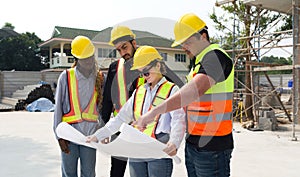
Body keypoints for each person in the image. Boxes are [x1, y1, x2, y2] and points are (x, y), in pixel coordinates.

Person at [133, 13, 234, 177]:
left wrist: (154, 112)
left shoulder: (216, 57)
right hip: (194, 143)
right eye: (182, 43)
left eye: (188, 42)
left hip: (213, 146)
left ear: (203, 36)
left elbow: (194, 90)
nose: (184, 47)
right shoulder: (198, 63)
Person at [87, 45, 186, 177]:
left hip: (159, 147)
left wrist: (174, 142)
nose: (144, 76)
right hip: (137, 149)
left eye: (146, 72)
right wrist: (98, 135)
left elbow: (178, 120)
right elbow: (121, 118)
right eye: (142, 73)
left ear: (157, 66)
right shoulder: (139, 92)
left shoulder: (172, 90)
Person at [53, 35, 104, 177]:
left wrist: (102, 131)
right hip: (69, 135)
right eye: (84, 58)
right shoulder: (66, 76)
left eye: (90, 57)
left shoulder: (99, 78)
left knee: (88, 173)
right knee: (69, 173)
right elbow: (58, 109)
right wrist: (59, 137)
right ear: (76, 59)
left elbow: (101, 109)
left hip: (90, 135)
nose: (88, 61)